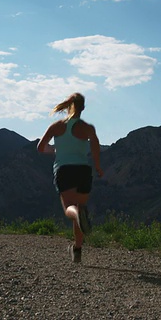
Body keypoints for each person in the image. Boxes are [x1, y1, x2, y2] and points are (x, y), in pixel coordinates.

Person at [37, 93, 103, 263]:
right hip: (83, 170)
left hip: (64, 170)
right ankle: (77, 249)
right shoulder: (88, 128)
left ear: (67, 106)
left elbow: (40, 148)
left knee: (70, 210)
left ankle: (78, 213)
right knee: (79, 211)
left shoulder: (56, 126)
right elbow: (95, 148)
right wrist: (98, 167)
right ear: (83, 108)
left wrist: (55, 151)